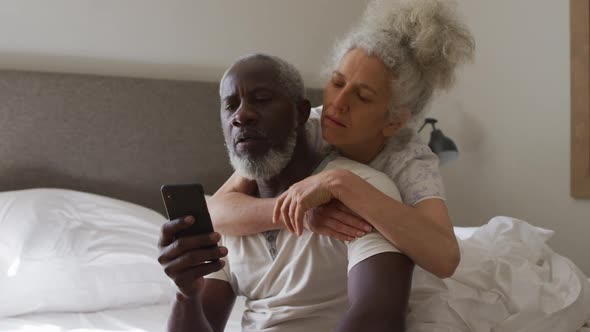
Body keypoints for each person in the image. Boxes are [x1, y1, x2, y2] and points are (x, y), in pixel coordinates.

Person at [208, 0, 475, 279]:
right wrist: (298, 212)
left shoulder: (409, 160)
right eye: (337, 83)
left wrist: (341, 184)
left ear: (393, 121)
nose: (338, 102)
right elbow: (216, 210)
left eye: (362, 97)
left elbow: (445, 258)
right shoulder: (306, 124)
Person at [157, 54, 414, 332]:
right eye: (230, 106)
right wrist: (186, 294)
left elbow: (379, 315)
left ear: (301, 113)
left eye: (262, 99)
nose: (241, 116)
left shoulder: (359, 189)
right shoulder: (226, 219)